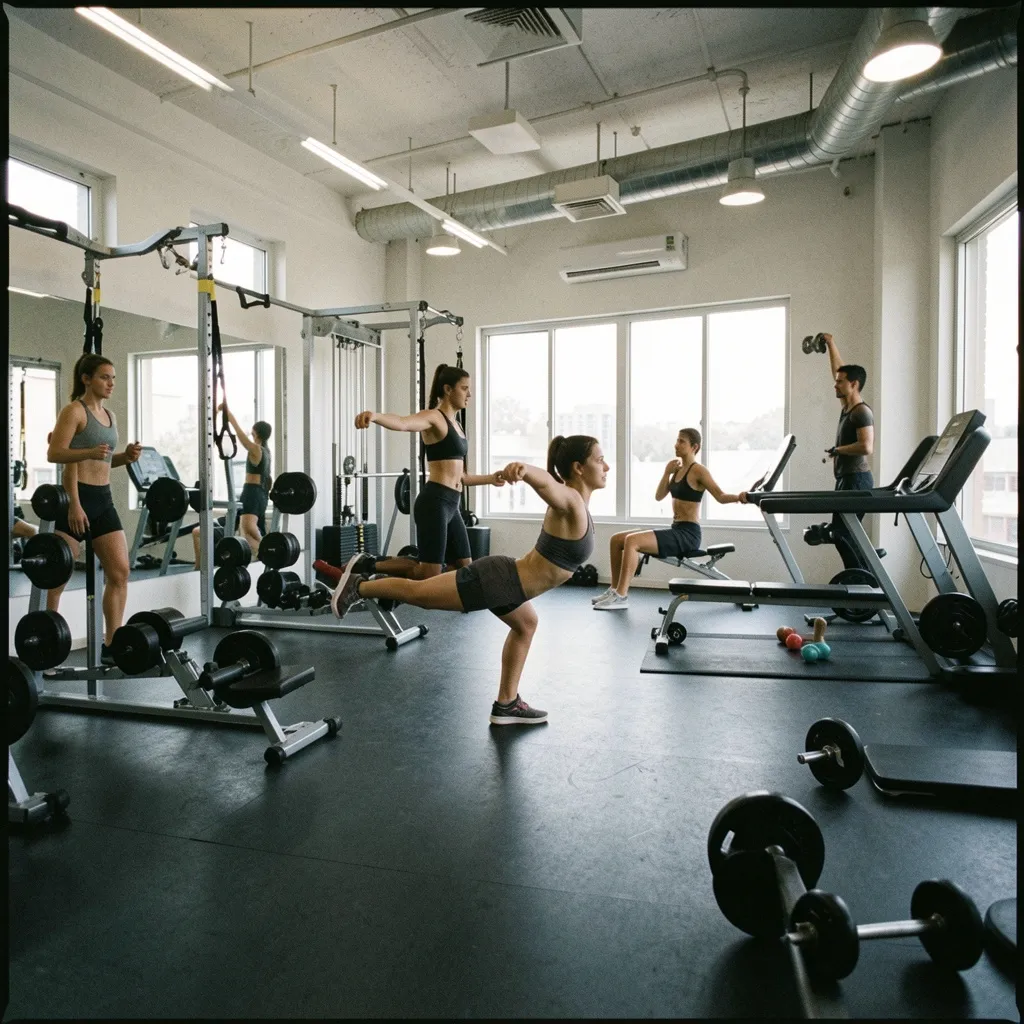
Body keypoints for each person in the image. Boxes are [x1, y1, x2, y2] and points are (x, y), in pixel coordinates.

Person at [320, 435, 607, 726]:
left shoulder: (579, 504)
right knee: (419, 593)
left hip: (510, 585)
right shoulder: (569, 499)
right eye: (599, 460)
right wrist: (525, 470)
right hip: (498, 581)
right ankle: (358, 585)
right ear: (578, 468)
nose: (606, 466)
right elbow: (547, 484)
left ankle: (506, 704)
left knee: (526, 625)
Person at [347, 363, 504, 580]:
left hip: (452, 504)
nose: (469, 394)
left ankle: (402, 574)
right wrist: (375, 416)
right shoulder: (433, 418)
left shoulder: (457, 425)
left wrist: (491, 478)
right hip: (435, 502)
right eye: (464, 388)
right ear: (448, 390)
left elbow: (463, 477)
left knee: (464, 568)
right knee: (428, 571)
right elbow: (403, 423)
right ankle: (369, 564)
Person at [46, 353, 143, 661]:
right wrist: (74, 505)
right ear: (86, 379)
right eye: (104, 377)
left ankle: (112, 644)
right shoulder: (75, 410)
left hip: (103, 499)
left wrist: (124, 457)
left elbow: (100, 460)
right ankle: (49, 642)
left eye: (113, 377)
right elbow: (56, 454)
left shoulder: (110, 416)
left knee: (120, 572)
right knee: (57, 578)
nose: (111, 383)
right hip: (76, 498)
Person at [593, 427, 746, 610]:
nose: (676, 445)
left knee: (632, 541)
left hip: (688, 534)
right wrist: (667, 472)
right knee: (616, 540)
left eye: (682, 441)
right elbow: (659, 496)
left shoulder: (699, 471)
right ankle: (614, 589)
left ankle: (622, 596)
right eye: (677, 440)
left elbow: (720, 496)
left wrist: (740, 497)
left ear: (694, 447)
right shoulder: (676, 470)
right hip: (676, 529)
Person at [192, 402, 272, 566]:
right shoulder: (266, 452)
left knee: (249, 533)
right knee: (251, 533)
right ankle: (268, 555)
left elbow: (241, 437)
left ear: (255, 432)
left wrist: (229, 415)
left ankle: (267, 558)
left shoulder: (257, 449)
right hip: (258, 494)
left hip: (253, 492)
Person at [821, 333, 874, 572]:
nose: (835, 384)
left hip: (857, 481)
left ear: (854, 384)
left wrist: (838, 450)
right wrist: (831, 344)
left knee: (842, 534)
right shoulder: (847, 407)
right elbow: (837, 370)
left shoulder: (861, 412)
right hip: (846, 480)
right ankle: (861, 573)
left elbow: (867, 446)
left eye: (840, 381)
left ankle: (862, 576)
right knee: (841, 535)